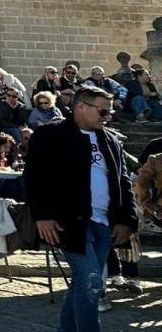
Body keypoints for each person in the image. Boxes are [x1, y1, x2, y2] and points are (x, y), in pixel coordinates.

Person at [25, 86, 137, 332]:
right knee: (92, 282)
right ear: (80, 107)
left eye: (109, 111)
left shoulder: (110, 140)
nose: (107, 116)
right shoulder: (50, 135)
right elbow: (35, 178)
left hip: (105, 223)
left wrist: (127, 220)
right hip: (71, 222)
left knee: (82, 283)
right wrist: (42, 216)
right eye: (103, 111)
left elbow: (122, 181)